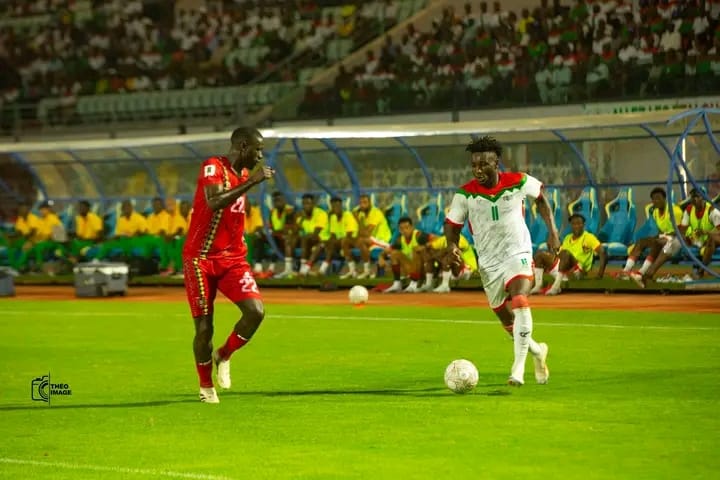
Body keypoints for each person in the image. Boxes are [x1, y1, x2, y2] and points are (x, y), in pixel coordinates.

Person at [444, 136, 560, 386]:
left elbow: (541, 198)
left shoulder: (518, 181)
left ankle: (518, 369)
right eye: (474, 165)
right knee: (508, 321)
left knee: (519, 299)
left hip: (518, 253)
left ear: (496, 164)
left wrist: (553, 231)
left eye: (483, 164)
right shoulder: (464, 194)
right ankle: (538, 351)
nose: (478, 170)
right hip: (489, 264)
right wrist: (452, 246)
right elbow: (452, 226)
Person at [182, 126, 275, 404]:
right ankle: (205, 386)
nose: (260, 156)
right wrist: (252, 182)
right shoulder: (213, 166)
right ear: (243, 146)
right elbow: (213, 202)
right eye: (258, 149)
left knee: (255, 312)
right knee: (204, 329)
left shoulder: (243, 174)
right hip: (200, 259)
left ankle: (223, 354)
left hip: (233, 259)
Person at [631, 188, 720, 286]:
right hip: (696, 240)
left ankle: (700, 272)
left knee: (711, 239)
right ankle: (649, 273)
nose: (694, 200)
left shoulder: (713, 212)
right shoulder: (689, 210)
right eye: (692, 198)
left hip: (712, 239)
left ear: (703, 198)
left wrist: (706, 233)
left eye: (697, 197)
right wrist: (676, 239)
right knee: (674, 242)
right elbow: (682, 230)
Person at [531, 213, 607, 295]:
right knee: (540, 254)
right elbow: (559, 255)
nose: (576, 226)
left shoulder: (589, 237)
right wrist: (551, 250)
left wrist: (600, 274)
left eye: (579, 223)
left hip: (577, 271)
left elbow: (602, 252)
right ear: (571, 225)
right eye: (574, 224)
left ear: (583, 224)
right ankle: (538, 285)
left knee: (565, 253)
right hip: (563, 269)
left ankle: (556, 287)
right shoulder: (567, 238)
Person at [620, 187, 682, 278]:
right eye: (654, 199)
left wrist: (662, 236)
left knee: (657, 242)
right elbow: (661, 229)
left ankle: (642, 271)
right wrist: (660, 236)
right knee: (641, 242)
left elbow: (680, 231)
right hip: (664, 237)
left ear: (664, 199)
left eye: (658, 198)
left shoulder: (674, 211)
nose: (656, 201)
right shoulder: (655, 212)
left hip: (676, 239)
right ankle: (626, 270)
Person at [342, 194, 392, 279]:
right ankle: (352, 271)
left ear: (370, 203)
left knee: (361, 240)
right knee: (345, 241)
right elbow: (359, 233)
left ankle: (367, 271)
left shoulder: (376, 213)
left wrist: (357, 219)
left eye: (365, 202)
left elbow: (367, 233)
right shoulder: (361, 214)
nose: (362, 205)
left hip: (382, 241)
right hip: (369, 240)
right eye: (360, 203)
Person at [308, 196, 358, 275]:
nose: (336, 208)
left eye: (337, 206)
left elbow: (349, 235)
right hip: (338, 243)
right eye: (333, 206)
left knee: (335, 242)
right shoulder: (333, 217)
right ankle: (309, 269)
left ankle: (322, 269)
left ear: (341, 205)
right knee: (324, 243)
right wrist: (327, 242)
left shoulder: (348, 215)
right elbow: (333, 234)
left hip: (351, 241)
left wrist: (333, 242)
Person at [252, 191, 296, 278]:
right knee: (260, 239)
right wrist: (266, 231)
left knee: (278, 241)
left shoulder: (289, 210)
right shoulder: (273, 212)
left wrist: (274, 232)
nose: (278, 203)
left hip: (287, 238)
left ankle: (271, 269)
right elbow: (270, 226)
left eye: (279, 200)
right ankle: (258, 267)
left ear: (284, 200)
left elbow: (287, 228)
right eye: (275, 201)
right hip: (276, 236)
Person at [383, 216, 432, 293]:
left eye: (407, 228)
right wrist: (381, 257)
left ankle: (415, 283)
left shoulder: (419, 235)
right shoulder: (400, 239)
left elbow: (437, 239)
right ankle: (397, 284)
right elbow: (387, 250)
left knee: (416, 250)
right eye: (401, 229)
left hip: (425, 269)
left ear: (412, 227)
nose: (404, 231)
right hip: (411, 269)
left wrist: (424, 246)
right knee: (394, 254)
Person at [294, 194, 330, 276]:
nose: (305, 206)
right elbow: (295, 231)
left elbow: (316, 234)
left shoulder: (321, 213)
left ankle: (304, 269)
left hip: (323, 240)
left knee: (306, 239)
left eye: (308, 203)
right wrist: (301, 219)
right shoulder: (302, 216)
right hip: (309, 241)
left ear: (313, 204)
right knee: (294, 239)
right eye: (304, 204)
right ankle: (300, 268)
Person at [6, 202, 40, 272]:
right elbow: (19, 232)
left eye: (23, 209)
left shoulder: (33, 218)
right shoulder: (20, 219)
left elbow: (33, 232)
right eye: (20, 209)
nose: (21, 210)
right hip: (25, 239)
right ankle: (14, 266)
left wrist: (22, 235)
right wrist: (11, 236)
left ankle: (17, 267)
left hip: (35, 240)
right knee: (11, 248)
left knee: (25, 247)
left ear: (28, 210)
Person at [161, 198, 188, 276]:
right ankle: (166, 267)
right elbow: (163, 229)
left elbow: (180, 230)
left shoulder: (179, 215)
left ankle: (179, 268)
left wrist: (171, 236)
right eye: (168, 205)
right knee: (163, 242)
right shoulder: (166, 216)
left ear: (175, 205)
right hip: (172, 237)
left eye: (171, 204)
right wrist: (166, 236)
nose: (170, 206)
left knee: (177, 242)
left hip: (181, 237)